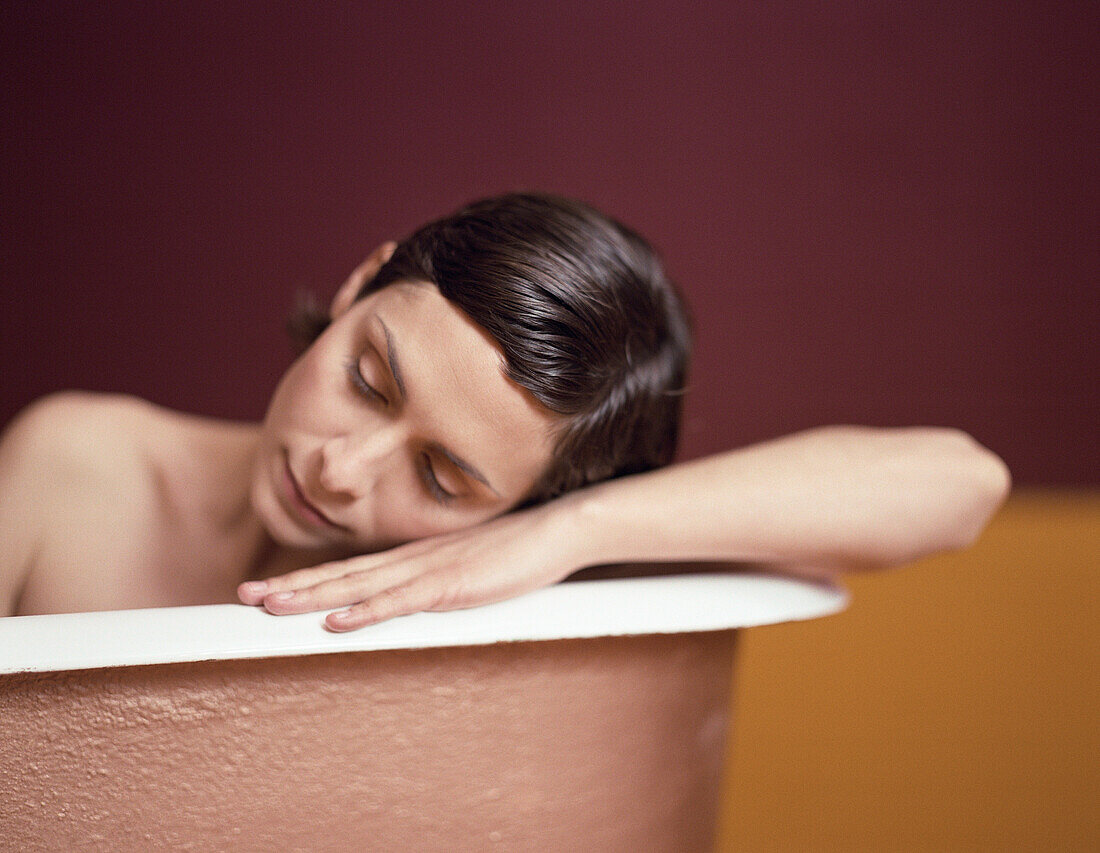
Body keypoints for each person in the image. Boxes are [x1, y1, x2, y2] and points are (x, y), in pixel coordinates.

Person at [0, 193, 1010, 629]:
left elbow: (960, 482)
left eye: (443, 478)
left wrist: (571, 530)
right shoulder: (78, 461)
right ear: (356, 285)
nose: (341, 470)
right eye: (366, 378)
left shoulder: (527, 554)